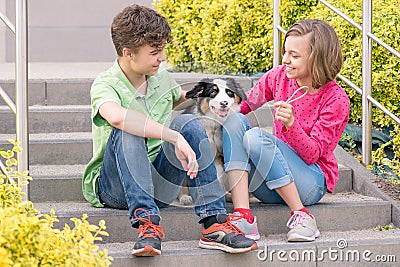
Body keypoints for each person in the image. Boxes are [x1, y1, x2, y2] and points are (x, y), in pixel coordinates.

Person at [82, 4, 258, 256]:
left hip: (160, 185)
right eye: (155, 52)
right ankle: (147, 226)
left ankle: (213, 224)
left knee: (188, 123)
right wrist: (173, 137)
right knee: (128, 127)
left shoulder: (159, 76)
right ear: (128, 53)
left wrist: (205, 93)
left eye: (163, 50)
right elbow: (117, 117)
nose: (162, 57)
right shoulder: (105, 84)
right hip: (116, 188)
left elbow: (176, 99)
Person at [222, 19, 350, 242]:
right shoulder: (278, 76)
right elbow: (244, 105)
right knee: (234, 121)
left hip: (310, 182)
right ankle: (243, 217)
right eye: (285, 52)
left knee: (255, 137)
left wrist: (292, 125)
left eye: (294, 55)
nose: (286, 60)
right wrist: (218, 104)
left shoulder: (336, 99)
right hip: (269, 183)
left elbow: (312, 155)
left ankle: (302, 216)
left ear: (317, 58)